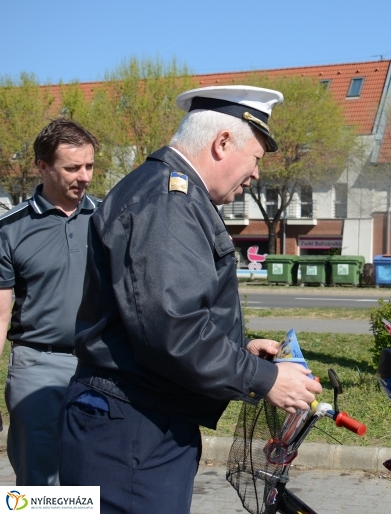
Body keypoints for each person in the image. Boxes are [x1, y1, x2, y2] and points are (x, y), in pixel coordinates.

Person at [59, 85, 322, 514]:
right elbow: (172, 329)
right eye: (255, 157)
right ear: (221, 143)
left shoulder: (169, 193)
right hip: (133, 424)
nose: (255, 174)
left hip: (136, 416)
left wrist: (240, 350)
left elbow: (155, 317)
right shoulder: (168, 201)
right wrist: (265, 378)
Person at [0, 119, 99, 485]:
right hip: (36, 365)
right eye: (72, 167)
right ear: (43, 166)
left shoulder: (110, 219)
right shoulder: (10, 229)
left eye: (89, 166)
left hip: (100, 366)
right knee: (40, 483)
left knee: (90, 477)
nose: (84, 176)